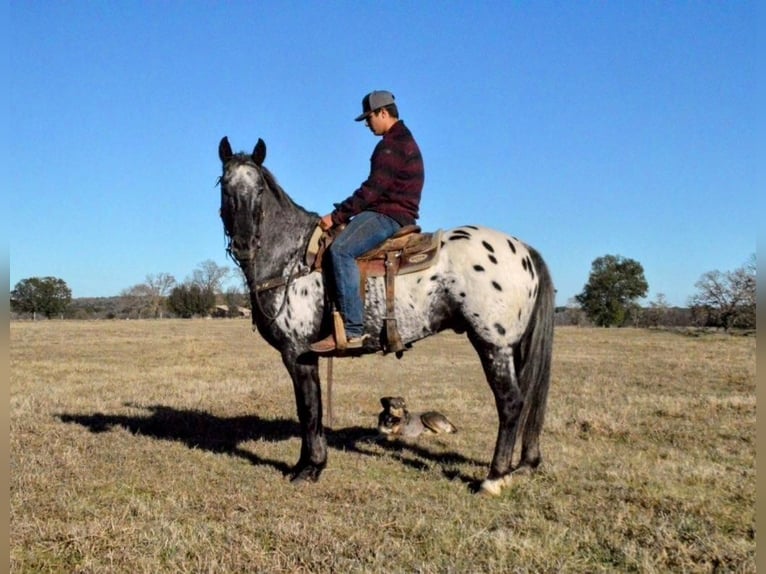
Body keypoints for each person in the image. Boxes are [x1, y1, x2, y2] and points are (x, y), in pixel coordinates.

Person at [310, 90, 424, 353]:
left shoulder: (391, 145)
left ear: (383, 112)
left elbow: (372, 190)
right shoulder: (402, 140)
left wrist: (336, 216)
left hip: (388, 215)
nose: (367, 124)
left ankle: (352, 330)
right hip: (395, 211)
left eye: (369, 118)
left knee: (340, 250)